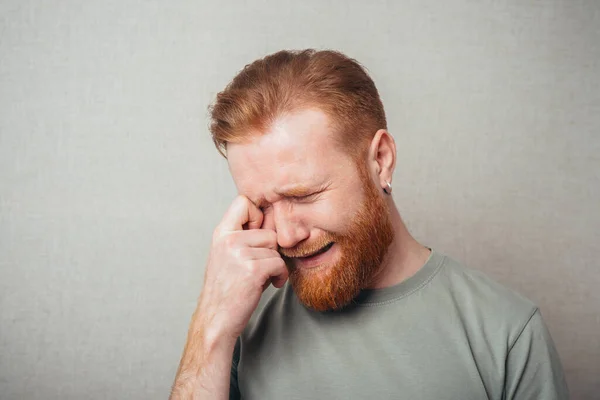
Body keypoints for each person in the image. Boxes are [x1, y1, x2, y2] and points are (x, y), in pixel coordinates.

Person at [169, 49, 568, 400]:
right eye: (261, 204)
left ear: (381, 160)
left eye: (305, 195)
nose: (287, 236)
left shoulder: (507, 333)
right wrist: (211, 325)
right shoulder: (239, 323)